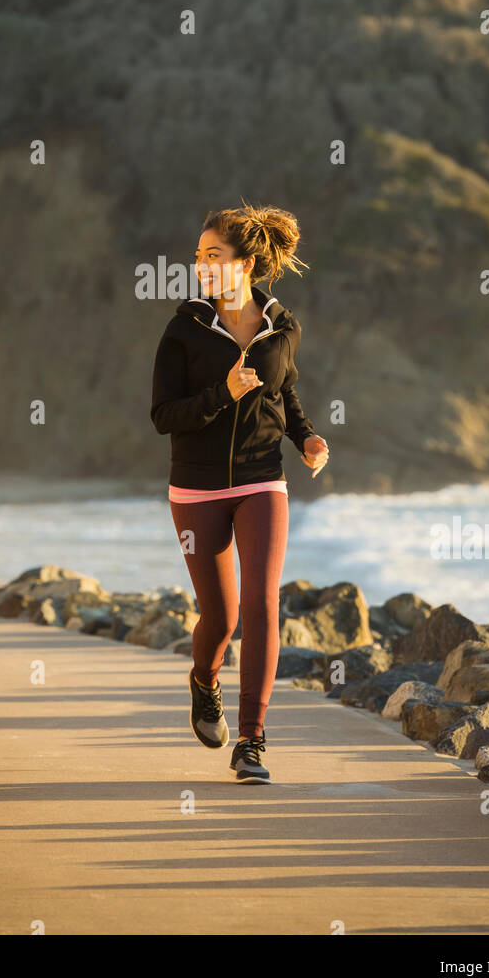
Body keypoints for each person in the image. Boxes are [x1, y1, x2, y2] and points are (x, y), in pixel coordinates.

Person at [150, 203, 329, 784]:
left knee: (261, 602)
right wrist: (222, 394)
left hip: (262, 477)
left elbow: (285, 395)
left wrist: (305, 438)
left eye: (213, 256)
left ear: (245, 263)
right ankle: (204, 681)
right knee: (221, 618)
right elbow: (162, 416)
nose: (201, 266)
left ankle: (251, 741)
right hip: (196, 488)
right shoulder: (184, 329)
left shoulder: (284, 326)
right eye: (198, 257)